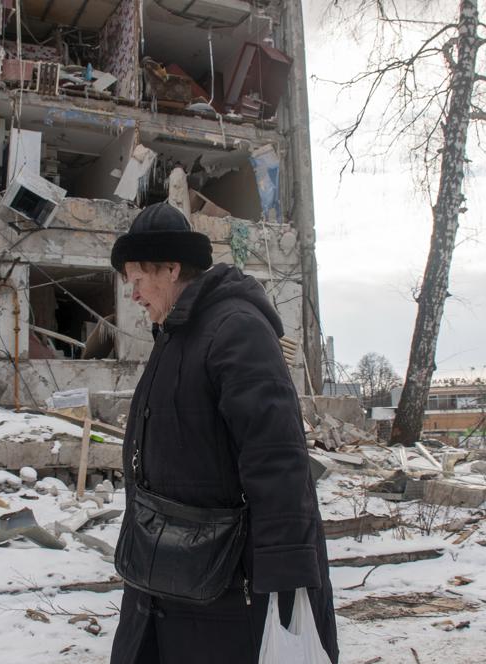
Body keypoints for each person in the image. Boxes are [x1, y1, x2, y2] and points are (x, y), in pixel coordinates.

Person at [109, 203, 338, 664]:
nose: (132, 295)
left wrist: (287, 580)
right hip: (171, 576)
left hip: (228, 589)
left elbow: (276, 458)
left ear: (171, 269)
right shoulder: (177, 335)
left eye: (137, 279)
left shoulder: (236, 330)